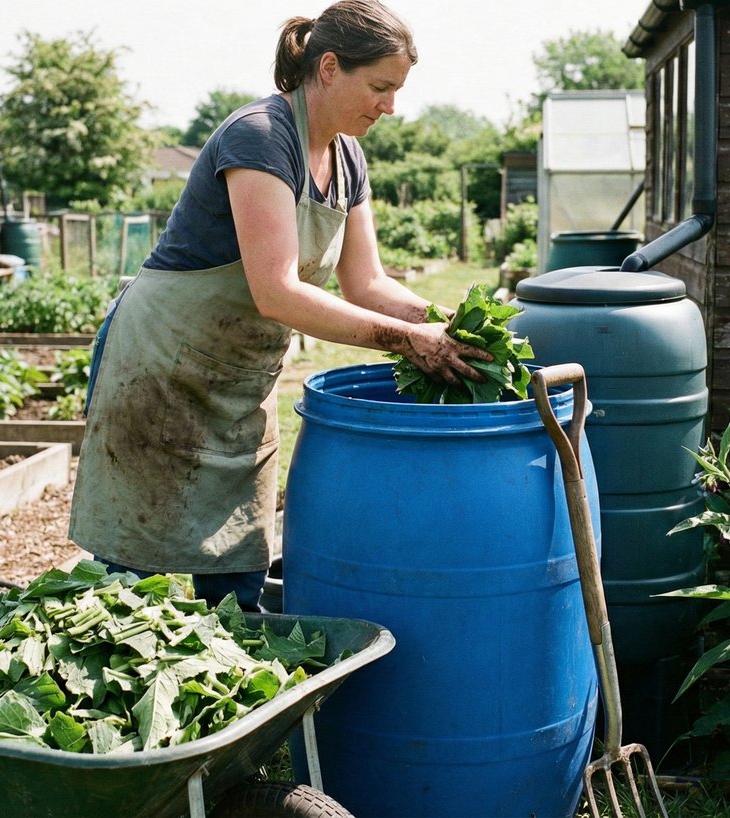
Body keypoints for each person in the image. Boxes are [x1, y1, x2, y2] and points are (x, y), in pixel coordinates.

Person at [68, 0, 490, 610]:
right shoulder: (260, 137)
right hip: (161, 369)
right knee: (123, 586)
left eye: (395, 90)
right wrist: (407, 342)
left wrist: (445, 325)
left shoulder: (348, 158)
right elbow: (277, 291)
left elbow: (367, 284)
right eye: (379, 87)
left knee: (236, 573)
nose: (390, 106)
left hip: (239, 381)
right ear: (327, 67)